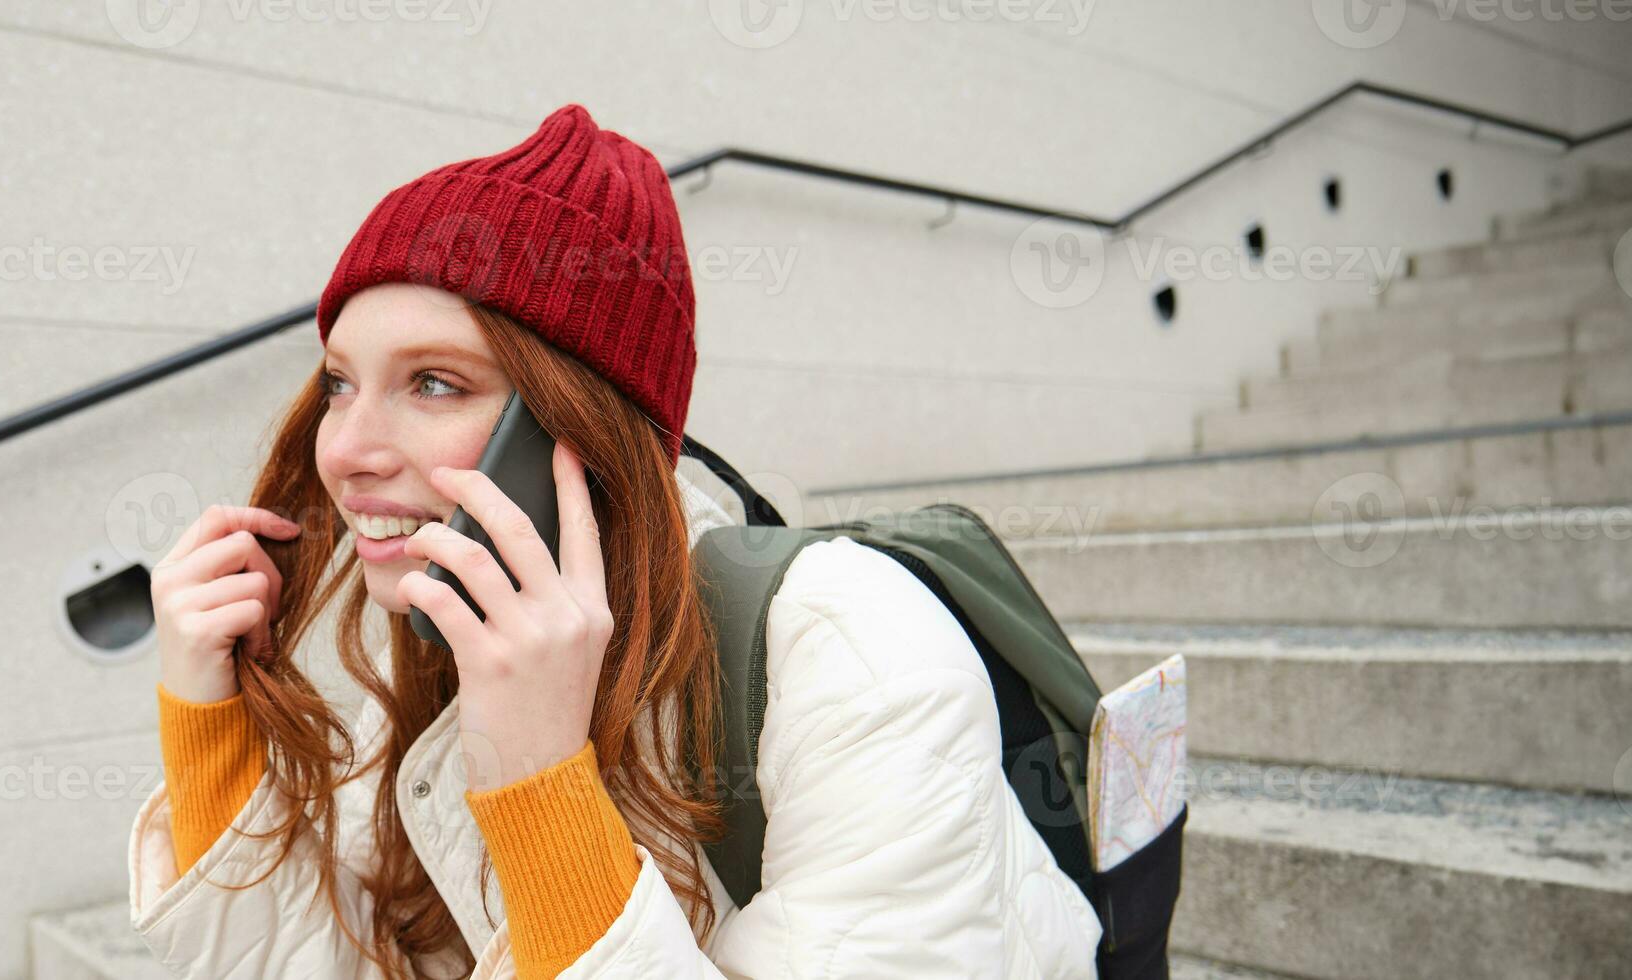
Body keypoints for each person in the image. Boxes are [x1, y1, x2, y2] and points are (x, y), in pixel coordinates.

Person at [126, 103, 1102, 978]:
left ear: (580, 427)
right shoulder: (459, 639)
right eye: (338, 382)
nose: (341, 450)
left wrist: (541, 786)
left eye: (434, 382)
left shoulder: (854, 646)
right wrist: (207, 725)